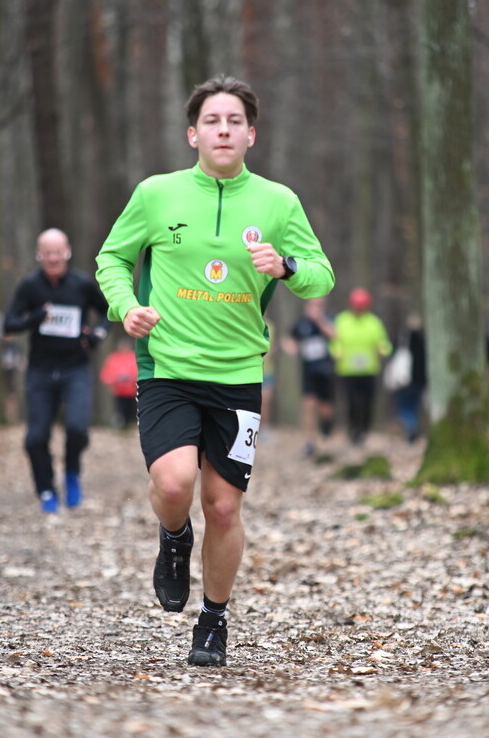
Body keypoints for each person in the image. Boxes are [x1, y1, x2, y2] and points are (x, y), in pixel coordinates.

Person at [95, 74, 334, 667]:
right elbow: (112, 258)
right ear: (192, 134)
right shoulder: (157, 194)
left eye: (233, 122)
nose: (222, 130)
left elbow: (321, 276)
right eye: (212, 121)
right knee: (175, 486)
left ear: (251, 135)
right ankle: (174, 538)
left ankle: (213, 620)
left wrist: (284, 265)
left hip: (238, 375)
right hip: (167, 366)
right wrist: (126, 308)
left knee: (224, 507)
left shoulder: (278, 203)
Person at [3, 229, 110, 513]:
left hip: (75, 368)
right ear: (39, 255)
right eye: (47, 253)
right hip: (40, 371)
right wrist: (35, 318)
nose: (52, 258)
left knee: (77, 429)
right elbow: (9, 325)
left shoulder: (82, 284)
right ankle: (47, 489)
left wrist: (98, 334)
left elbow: (107, 312)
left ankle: (72, 473)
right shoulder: (30, 286)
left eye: (57, 252)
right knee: (35, 438)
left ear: (67, 252)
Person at [331, 287, 391, 446]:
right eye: (356, 307)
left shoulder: (374, 322)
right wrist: (336, 352)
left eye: (361, 307)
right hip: (348, 370)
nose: (358, 310)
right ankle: (353, 430)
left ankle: (364, 429)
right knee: (351, 402)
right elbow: (334, 341)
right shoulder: (342, 320)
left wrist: (383, 350)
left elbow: (383, 342)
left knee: (368, 402)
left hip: (369, 370)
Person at [283, 297, 336, 457]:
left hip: (326, 371)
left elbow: (334, 336)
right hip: (308, 372)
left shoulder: (329, 319)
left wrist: (319, 320)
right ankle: (309, 442)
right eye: (312, 305)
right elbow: (288, 337)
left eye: (319, 305)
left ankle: (327, 424)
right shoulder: (302, 324)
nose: (315, 308)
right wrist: (290, 346)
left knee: (325, 408)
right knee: (308, 405)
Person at [393, 314, 427, 442]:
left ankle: (410, 429)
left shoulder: (402, 341)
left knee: (405, 407)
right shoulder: (424, 343)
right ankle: (412, 428)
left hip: (403, 380)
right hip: (418, 381)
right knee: (413, 406)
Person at [99, 336, 139, 428]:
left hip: (132, 391)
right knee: (120, 409)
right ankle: (122, 426)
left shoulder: (133, 357)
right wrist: (116, 379)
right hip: (118, 391)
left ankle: (131, 425)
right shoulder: (113, 358)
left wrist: (131, 378)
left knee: (132, 410)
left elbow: (137, 372)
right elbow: (106, 374)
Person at [0, 335, 25, 421]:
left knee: (13, 395)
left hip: (14, 373)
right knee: (7, 395)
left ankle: (14, 416)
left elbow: (21, 362)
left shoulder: (16, 348)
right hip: (4, 374)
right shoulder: (0, 347)